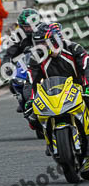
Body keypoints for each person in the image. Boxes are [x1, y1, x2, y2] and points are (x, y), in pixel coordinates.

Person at [24, 23, 89, 168]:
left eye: (43, 43)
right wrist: (30, 100)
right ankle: (51, 141)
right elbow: (30, 81)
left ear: (54, 40)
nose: (40, 47)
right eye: (38, 43)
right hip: (53, 94)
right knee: (33, 117)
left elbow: (86, 66)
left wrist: (87, 86)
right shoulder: (37, 58)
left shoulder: (74, 49)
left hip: (79, 89)